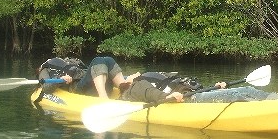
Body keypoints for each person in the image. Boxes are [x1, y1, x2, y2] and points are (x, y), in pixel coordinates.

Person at [38, 56, 220, 102]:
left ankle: (122, 84)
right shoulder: (45, 71)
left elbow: (90, 72)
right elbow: (45, 88)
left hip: (90, 81)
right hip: (77, 89)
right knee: (99, 60)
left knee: (106, 60)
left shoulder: (69, 62)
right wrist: (62, 80)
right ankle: (104, 99)